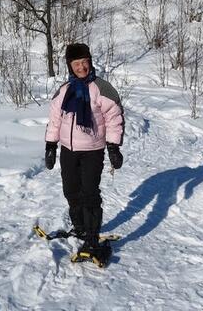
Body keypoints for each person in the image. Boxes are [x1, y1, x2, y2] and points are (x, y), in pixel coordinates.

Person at [44, 43, 125, 257]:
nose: (81, 67)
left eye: (84, 62)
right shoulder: (64, 91)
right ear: (70, 66)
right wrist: (50, 145)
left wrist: (113, 147)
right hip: (68, 150)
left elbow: (114, 119)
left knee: (89, 193)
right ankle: (79, 227)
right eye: (76, 63)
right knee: (71, 190)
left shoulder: (102, 88)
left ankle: (91, 238)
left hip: (93, 150)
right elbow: (54, 120)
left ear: (90, 62)